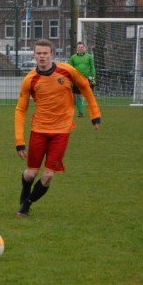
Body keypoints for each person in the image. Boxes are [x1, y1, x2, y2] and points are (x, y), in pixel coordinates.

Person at [15, 39, 101, 218]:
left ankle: (26, 205)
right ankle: (25, 190)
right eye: (38, 53)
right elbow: (21, 110)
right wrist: (19, 141)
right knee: (30, 174)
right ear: (34, 55)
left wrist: (95, 114)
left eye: (45, 53)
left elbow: (85, 87)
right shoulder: (30, 79)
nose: (42, 56)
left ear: (52, 54)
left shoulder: (67, 71)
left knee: (47, 176)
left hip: (61, 132)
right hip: (38, 131)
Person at [69, 41, 96, 117]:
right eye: (79, 47)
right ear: (76, 48)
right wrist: (70, 81)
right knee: (78, 95)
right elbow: (70, 69)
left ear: (84, 48)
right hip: (76, 80)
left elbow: (92, 68)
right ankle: (80, 112)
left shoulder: (88, 57)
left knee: (89, 95)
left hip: (86, 79)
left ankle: (94, 111)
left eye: (81, 47)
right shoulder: (73, 58)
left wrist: (93, 78)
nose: (80, 49)